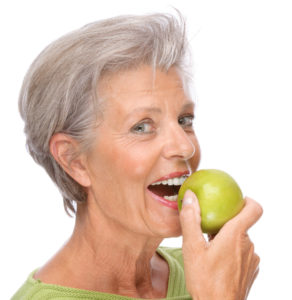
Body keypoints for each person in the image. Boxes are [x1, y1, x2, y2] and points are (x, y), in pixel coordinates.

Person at [12, 12, 263, 300]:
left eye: (184, 120)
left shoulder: (206, 270)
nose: (184, 147)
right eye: (142, 127)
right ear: (74, 160)